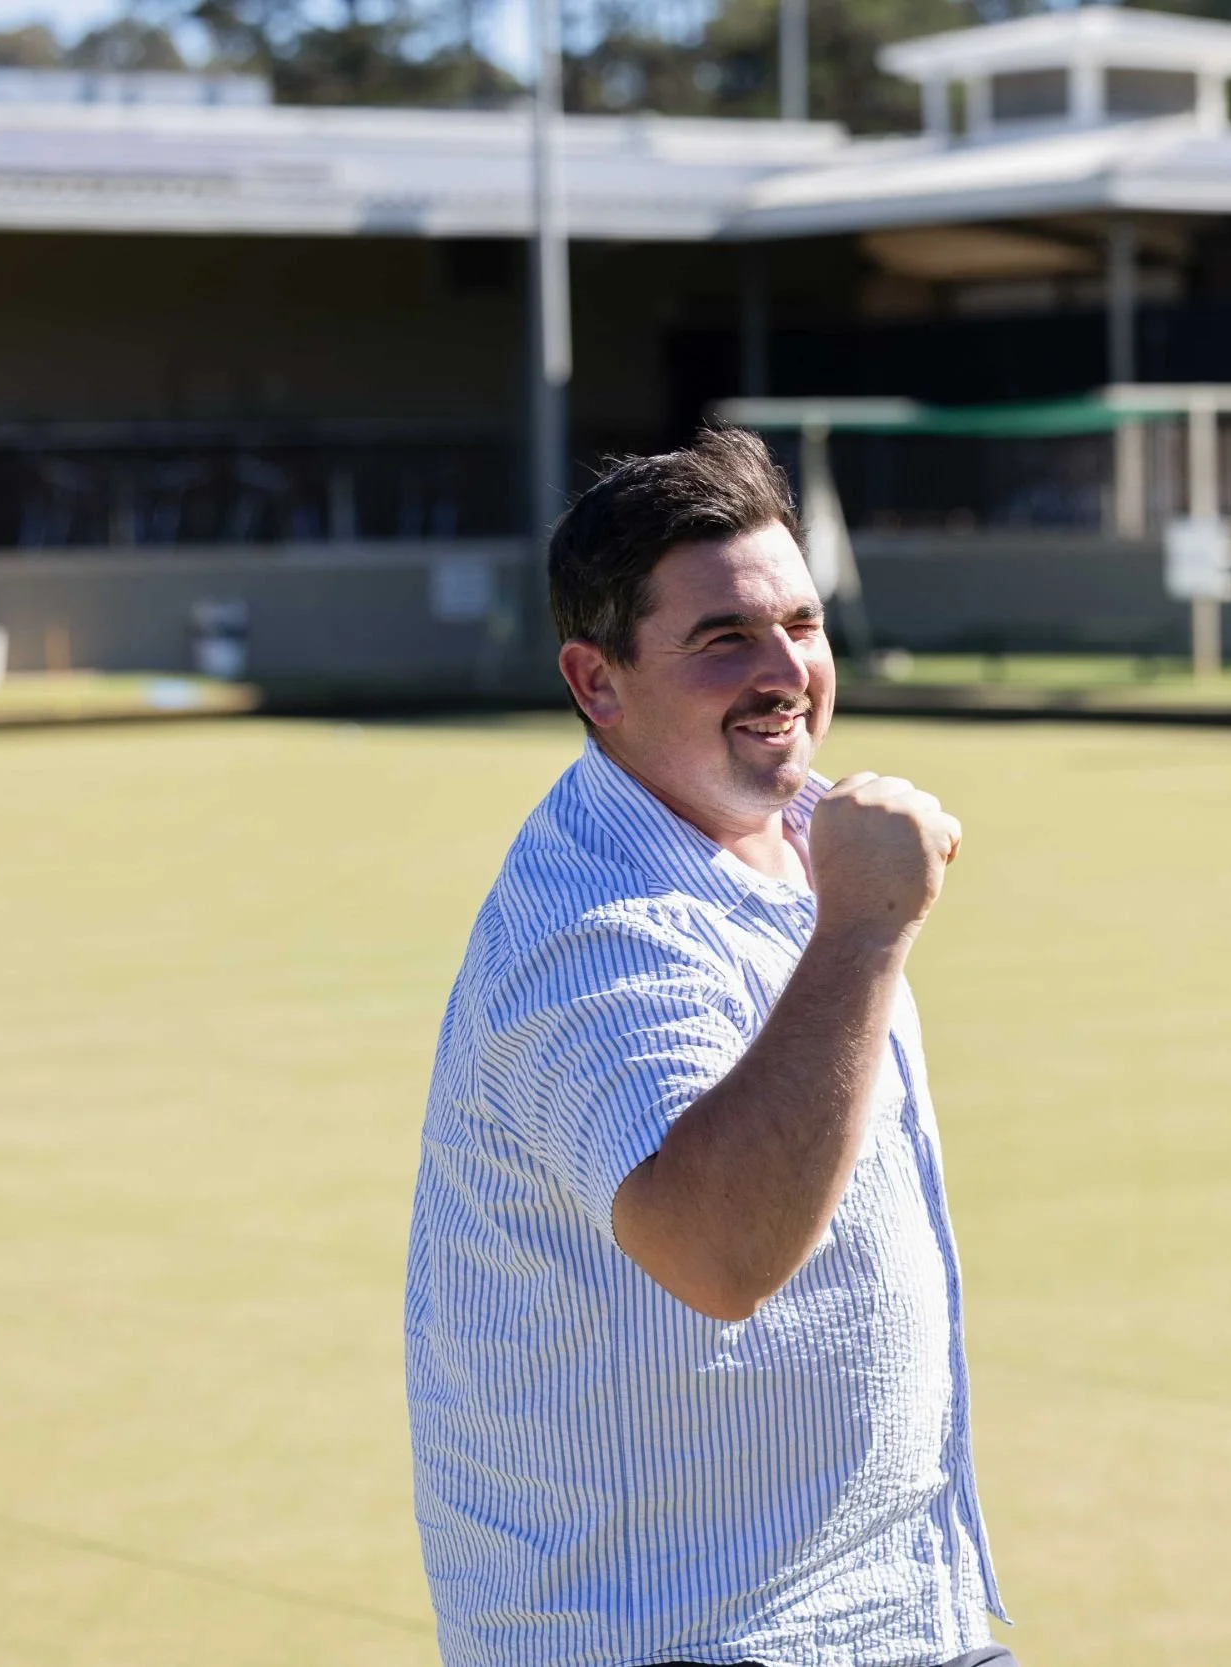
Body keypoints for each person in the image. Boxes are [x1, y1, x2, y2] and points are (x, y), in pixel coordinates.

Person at [404, 427, 1011, 1667]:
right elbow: (719, 1249)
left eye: (801, 622)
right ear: (597, 682)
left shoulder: (799, 830)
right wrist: (864, 928)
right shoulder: (590, 931)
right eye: (723, 637)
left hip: (891, 1611)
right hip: (680, 1633)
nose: (785, 667)